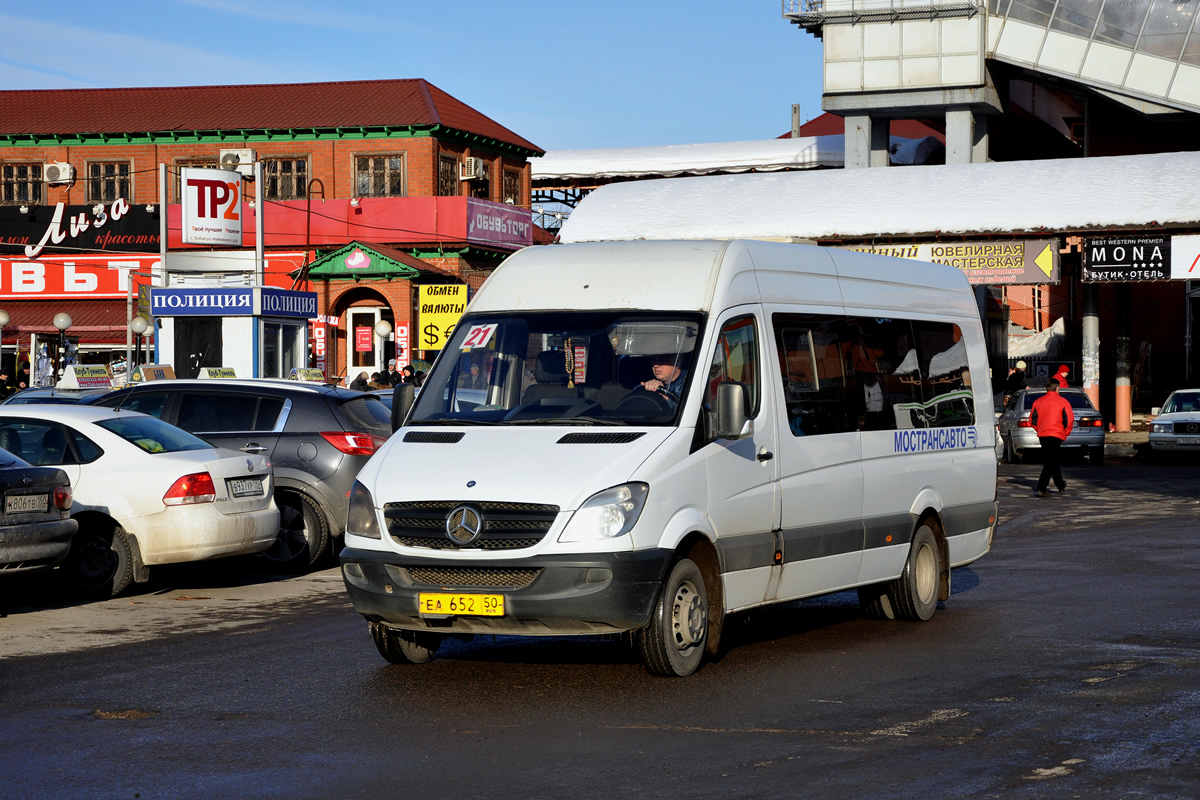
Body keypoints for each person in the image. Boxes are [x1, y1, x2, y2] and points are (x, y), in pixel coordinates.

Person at [1030, 379, 1074, 497]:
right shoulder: (1063, 402)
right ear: (1057, 388)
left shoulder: (1038, 402)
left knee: (1051, 460)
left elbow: (1032, 420)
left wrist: (1039, 429)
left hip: (1043, 434)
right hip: (1056, 433)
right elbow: (1069, 420)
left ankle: (1060, 484)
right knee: (1051, 461)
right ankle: (1042, 487)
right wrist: (1065, 432)